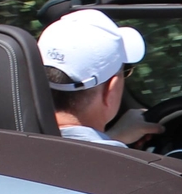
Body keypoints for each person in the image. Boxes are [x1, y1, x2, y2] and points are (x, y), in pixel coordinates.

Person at [39, 8, 160, 147]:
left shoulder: (14, 145)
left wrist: (112, 137)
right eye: (125, 71)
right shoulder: (128, 166)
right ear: (110, 91)